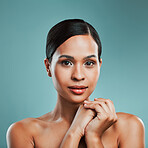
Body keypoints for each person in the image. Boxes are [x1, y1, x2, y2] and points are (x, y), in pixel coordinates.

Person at [6, 19, 145, 148]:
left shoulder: (129, 126)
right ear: (48, 66)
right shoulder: (24, 132)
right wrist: (74, 131)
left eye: (89, 63)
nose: (78, 76)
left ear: (99, 66)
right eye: (66, 63)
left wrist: (93, 136)